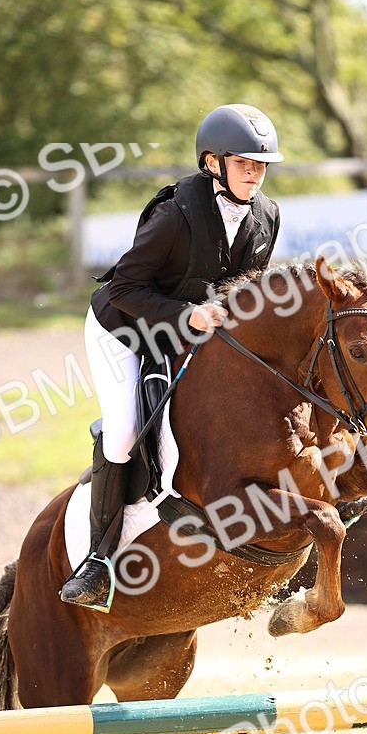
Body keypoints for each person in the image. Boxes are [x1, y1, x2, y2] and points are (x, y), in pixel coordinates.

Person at [60, 103, 284, 611]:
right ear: (212, 163)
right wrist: (188, 316)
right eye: (243, 163)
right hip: (124, 327)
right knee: (124, 433)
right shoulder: (175, 213)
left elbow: (245, 293)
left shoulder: (267, 215)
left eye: (260, 164)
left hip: (188, 333)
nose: (254, 173)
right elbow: (124, 288)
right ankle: (97, 561)